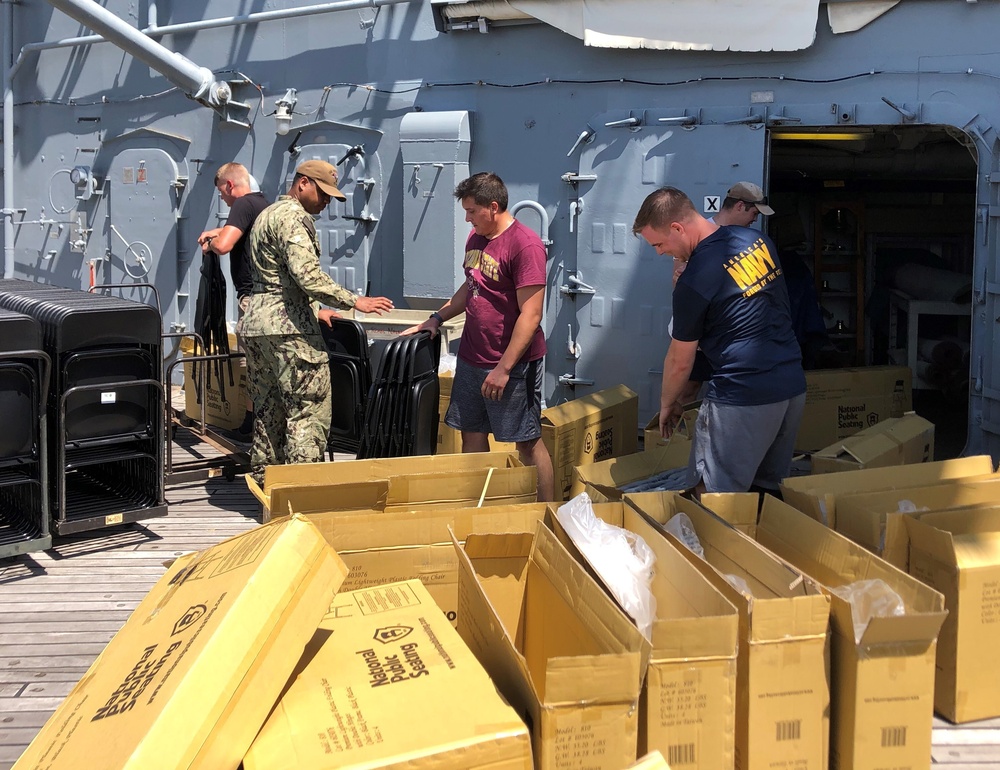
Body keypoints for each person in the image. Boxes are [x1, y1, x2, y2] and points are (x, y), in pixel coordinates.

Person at [634, 186, 805, 496]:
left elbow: (680, 360)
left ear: (677, 228)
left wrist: (667, 404)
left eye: (658, 244)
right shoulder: (758, 242)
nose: (659, 253)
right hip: (790, 388)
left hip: (743, 396)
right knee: (763, 492)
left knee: (711, 495)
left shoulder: (694, 279)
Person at [404, 172, 555, 502]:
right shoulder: (477, 240)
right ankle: (478, 505)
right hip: (472, 359)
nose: (468, 219)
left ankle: (547, 513)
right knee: (472, 434)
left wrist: (503, 369)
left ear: (494, 207)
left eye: (472, 211)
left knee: (526, 441)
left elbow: (531, 315)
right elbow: (471, 287)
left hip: (511, 366)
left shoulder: (525, 246)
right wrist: (436, 318)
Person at [241, 159, 394, 482]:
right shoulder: (295, 219)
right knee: (307, 410)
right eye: (323, 194)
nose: (326, 202)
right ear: (302, 183)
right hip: (288, 329)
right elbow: (306, 275)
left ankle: (265, 487)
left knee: (268, 410)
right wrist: (355, 300)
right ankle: (300, 492)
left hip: (257, 325)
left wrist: (314, 308)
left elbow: (277, 276)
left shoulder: (267, 214)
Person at [197, 162, 270, 436]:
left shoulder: (241, 205)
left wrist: (210, 245)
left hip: (251, 298)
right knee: (263, 363)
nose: (223, 199)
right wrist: (216, 231)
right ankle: (256, 422)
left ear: (230, 185)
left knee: (252, 364)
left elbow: (225, 245)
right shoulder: (262, 204)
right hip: (268, 298)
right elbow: (241, 230)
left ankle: (252, 425)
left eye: (222, 192)